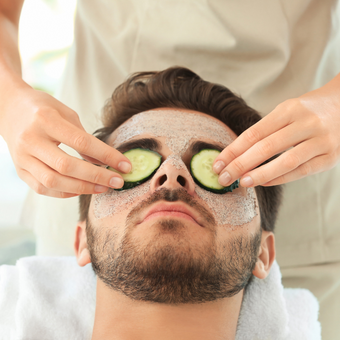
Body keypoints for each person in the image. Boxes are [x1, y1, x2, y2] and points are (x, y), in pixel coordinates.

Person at [0, 1, 339, 338]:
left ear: (264, 254)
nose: (172, 173)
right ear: (81, 239)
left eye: (218, 170)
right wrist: (9, 99)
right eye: (135, 162)